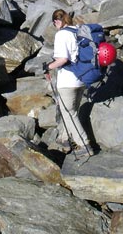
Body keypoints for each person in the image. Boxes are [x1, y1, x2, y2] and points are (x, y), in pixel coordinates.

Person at [44, 9, 92, 156]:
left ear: (58, 21)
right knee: (73, 111)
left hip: (67, 81)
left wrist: (48, 67)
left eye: (54, 22)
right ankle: (65, 138)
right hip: (81, 78)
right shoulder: (78, 31)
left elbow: (63, 59)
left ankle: (85, 144)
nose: (55, 25)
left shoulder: (61, 34)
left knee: (68, 113)